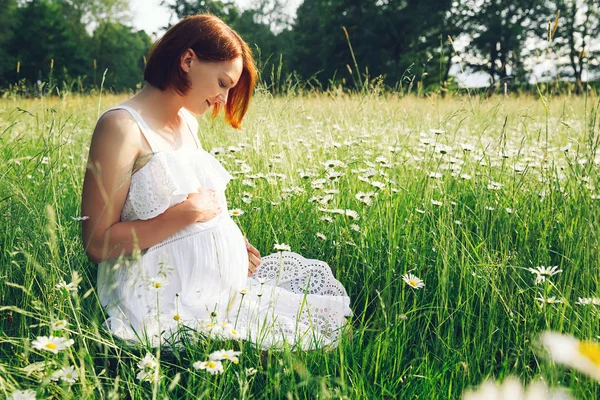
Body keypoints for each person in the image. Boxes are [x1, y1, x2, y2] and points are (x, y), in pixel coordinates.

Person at [80, 14, 351, 350]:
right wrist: (184, 216)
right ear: (188, 60)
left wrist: (235, 244)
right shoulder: (122, 127)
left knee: (331, 323)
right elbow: (97, 243)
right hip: (161, 296)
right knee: (280, 348)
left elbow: (202, 206)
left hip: (216, 288)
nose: (224, 100)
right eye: (223, 83)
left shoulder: (187, 123)